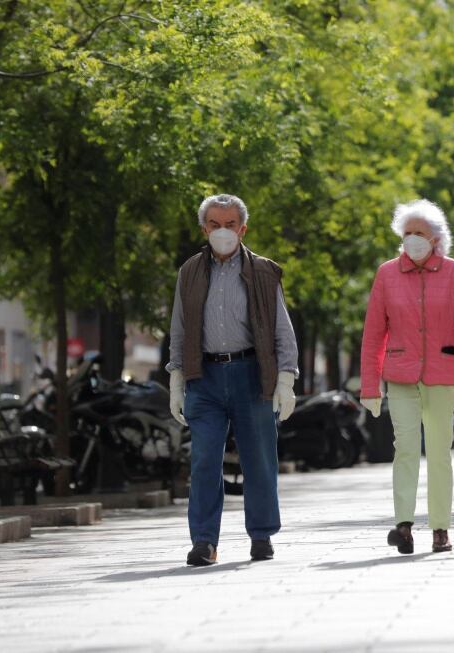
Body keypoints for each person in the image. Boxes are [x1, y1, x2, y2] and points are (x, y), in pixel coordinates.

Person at [167, 194, 299, 566]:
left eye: (229, 225)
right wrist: (176, 380)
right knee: (204, 459)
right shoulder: (189, 272)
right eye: (214, 224)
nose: (221, 231)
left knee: (258, 459)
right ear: (203, 228)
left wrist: (286, 379)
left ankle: (261, 534)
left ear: (243, 229)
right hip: (203, 376)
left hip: (251, 375)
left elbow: (281, 330)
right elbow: (178, 330)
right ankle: (204, 542)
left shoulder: (263, 272)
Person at [360, 199, 454, 554]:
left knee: (438, 452)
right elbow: (374, 333)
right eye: (407, 233)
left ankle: (440, 528)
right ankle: (403, 525)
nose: (412, 239)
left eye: (419, 233)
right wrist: (370, 385)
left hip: (442, 374)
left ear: (436, 238)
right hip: (400, 374)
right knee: (404, 448)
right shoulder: (387, 274)